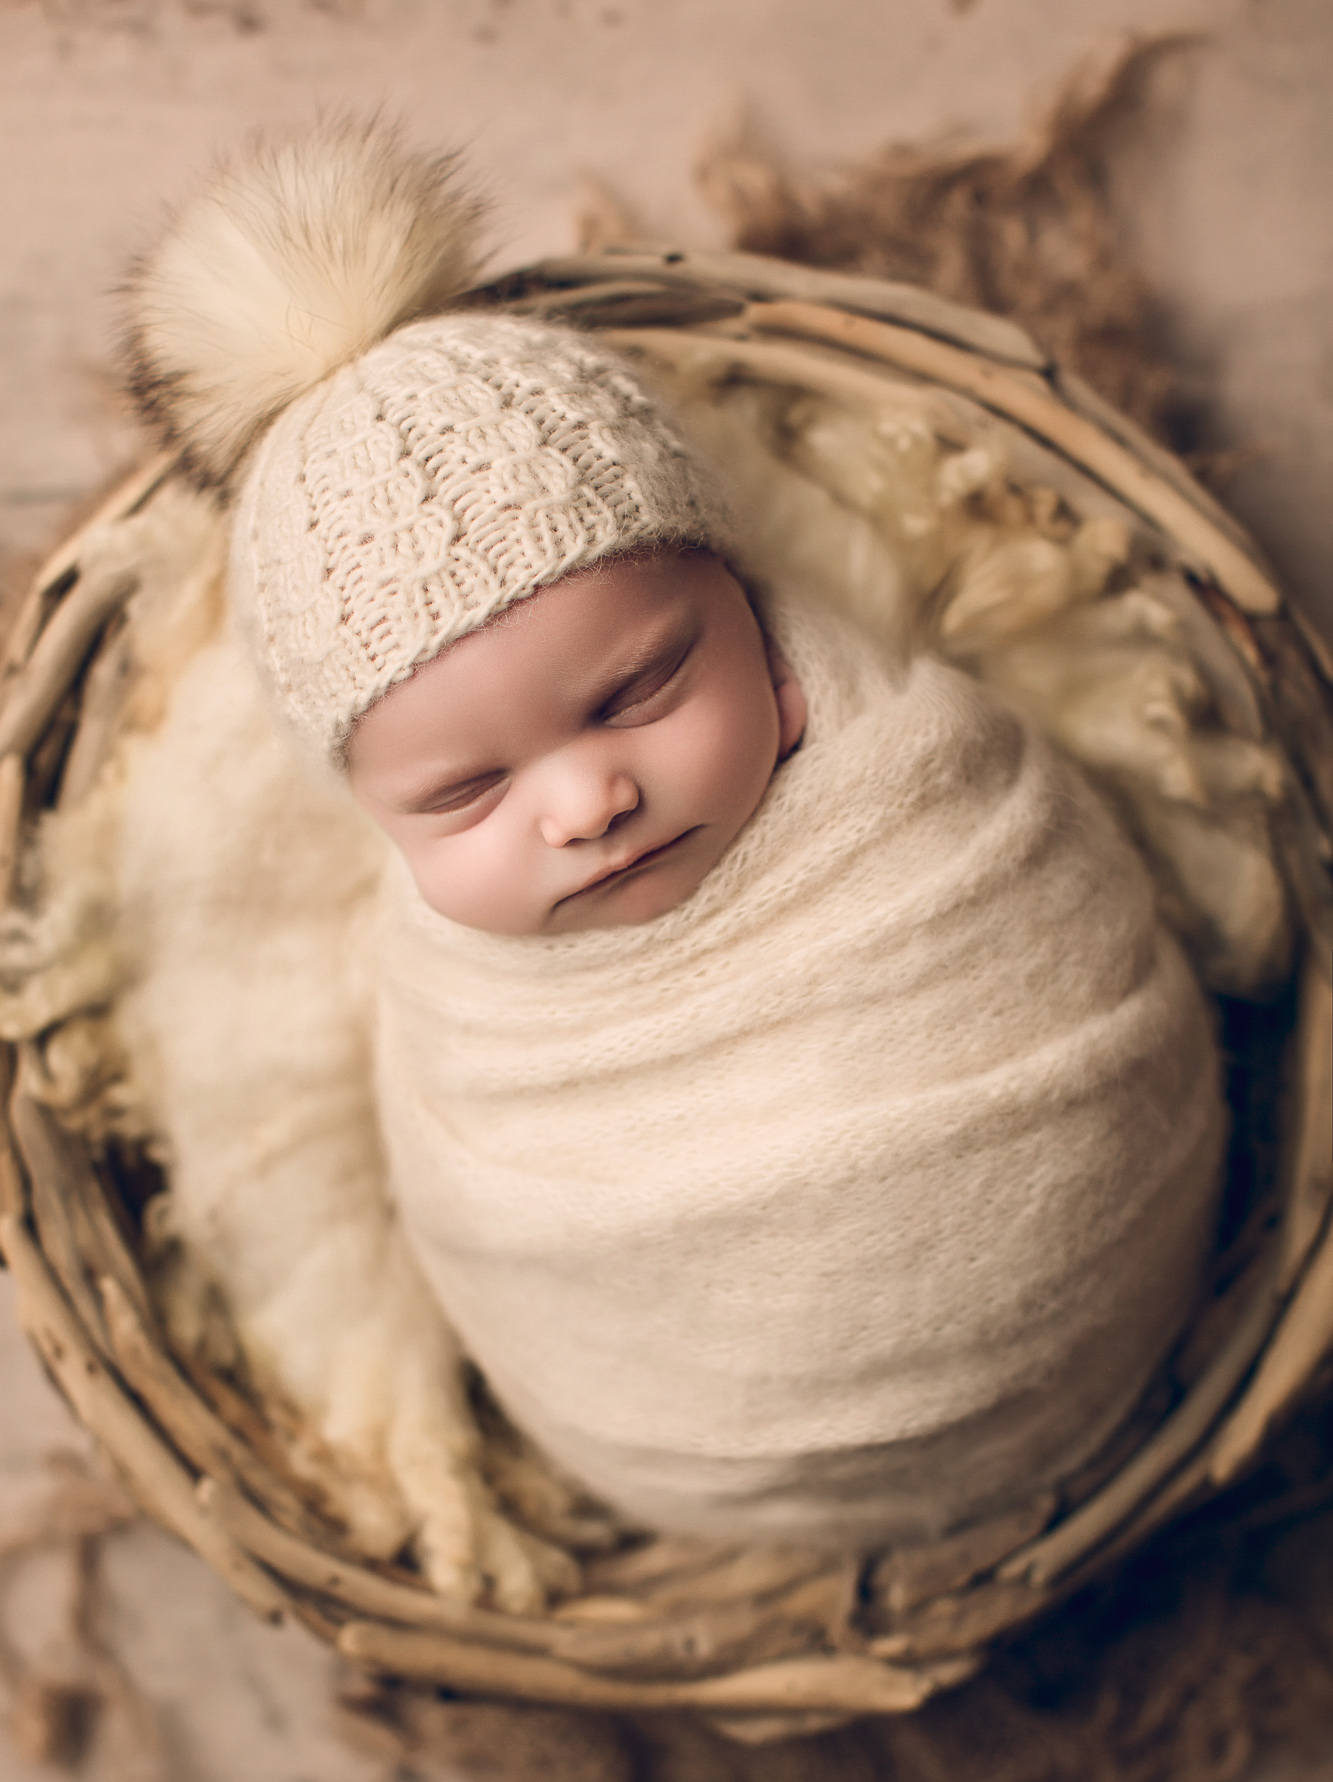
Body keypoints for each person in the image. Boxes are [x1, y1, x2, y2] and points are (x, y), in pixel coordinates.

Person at [120, 118, 1226, 1570]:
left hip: (1102, 1307)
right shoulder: (438, 981)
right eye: (462, 795)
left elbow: (1061, 940)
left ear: (759, 619)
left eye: (639, 691)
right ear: (373, 822)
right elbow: (451, 1197)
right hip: (664, 1420)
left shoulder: (914, 769)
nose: (582, 803)